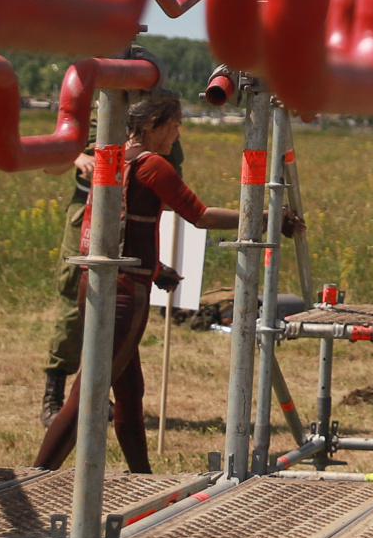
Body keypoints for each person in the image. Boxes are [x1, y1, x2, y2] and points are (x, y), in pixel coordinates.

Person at [34, 92, 299, 471]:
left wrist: (156, 268)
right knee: (88, 393)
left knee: (129, 393)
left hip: (95, 285)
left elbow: (118, 227)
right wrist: (266, 218)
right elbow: (200, 215)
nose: (177, 134)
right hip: (125, 296)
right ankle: (38, 474)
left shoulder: (114, 158)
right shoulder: (153, 165)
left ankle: (141, 476)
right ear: (151, 125)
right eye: (174, 125)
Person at [39, 51, 184, 428]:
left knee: (117, 314)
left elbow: (171, 185)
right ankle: (55, 395)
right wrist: (77, 158)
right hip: (86, 218)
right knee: (76, 306)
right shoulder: (91, 114)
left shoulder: (156, 119)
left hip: (132, 223)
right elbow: (54, 158)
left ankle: (95, 392)